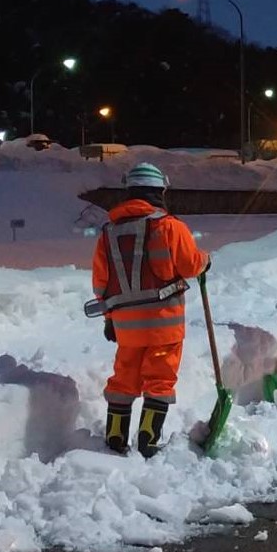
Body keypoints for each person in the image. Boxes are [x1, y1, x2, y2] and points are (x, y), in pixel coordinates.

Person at [91, 162, 209, 456]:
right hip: (163, 323)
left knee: (124, 378)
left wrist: (110, 319)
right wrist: (205, 260)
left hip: (125, 326)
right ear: (160, 191)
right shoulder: (170, 226)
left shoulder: (108, 233)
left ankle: (116, 440)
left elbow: (101, 283)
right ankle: (148, 441)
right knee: (159, 379)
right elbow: (190, 264)